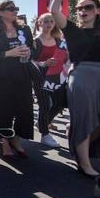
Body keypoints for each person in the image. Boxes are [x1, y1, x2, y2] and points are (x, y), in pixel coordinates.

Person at [49, 0, 100, 180]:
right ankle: (85, 164)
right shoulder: (71, 30)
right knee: (85, 120)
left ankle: (77, 138)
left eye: (88, 7)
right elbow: (54, 10)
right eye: (79, 8)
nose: (82, 11)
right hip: (81, 77)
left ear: (97, 10)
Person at [0, 0, 34, 159]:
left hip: (23, 73)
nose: (15, 11)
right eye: (11, 9)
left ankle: (16, 138)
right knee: (3, 109)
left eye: (16, 8)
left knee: (24, 109)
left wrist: (28, 52)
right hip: (2, 77)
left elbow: (33, 48)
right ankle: (4, 141)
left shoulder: (24, 29)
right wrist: (8, 54)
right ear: (0, 12)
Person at [31, 13, 68, 148]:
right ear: (39, 23)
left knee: (60, 103)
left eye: (52, 21)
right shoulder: (35, 41)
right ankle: (45, 135)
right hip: (39, 75)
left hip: (56, 76)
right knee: (45, 104)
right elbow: (30, 61)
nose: (49, 24)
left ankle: (42, 122)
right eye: (45, 21)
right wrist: (44, 63)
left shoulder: (59, 40)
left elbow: (64, 57)